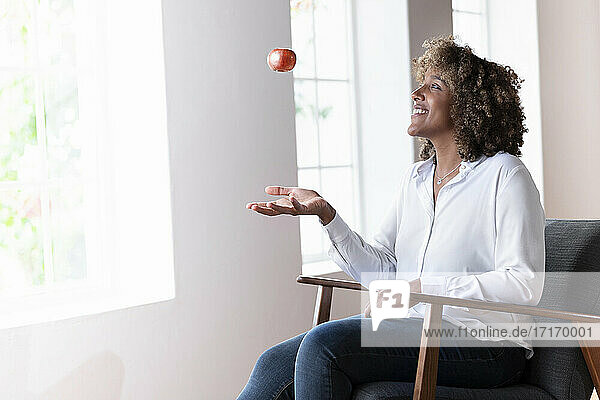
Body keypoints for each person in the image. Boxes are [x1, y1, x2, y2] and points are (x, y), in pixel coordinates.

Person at [238, 34, 546, 400]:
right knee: (273, 363)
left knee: (325, 346)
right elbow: (381, 273)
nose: (417, 94)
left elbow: (524, 283)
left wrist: (421, 290)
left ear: (468, 105)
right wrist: (326, 214)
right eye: (420, 83)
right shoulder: (413, 180)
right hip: (412, 327)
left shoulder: (504, 174)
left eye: (434, 85)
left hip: (487, 345)